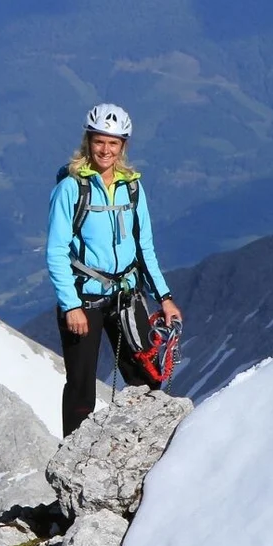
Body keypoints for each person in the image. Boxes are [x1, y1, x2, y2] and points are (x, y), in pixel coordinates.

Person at [46, 103, 184, 437]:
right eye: (99, 141)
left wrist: (164, 298)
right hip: (85, 300)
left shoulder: (132, 188)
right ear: (88, 141)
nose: (105, 150)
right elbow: (55, 252)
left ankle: (149, 447)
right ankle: (74, 458)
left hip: (126, 295)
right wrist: (70, 305)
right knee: (81, 389)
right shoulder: (71, 188)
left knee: (146, 375)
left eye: (113, 143)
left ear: (123, 146)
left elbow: (144, 248)